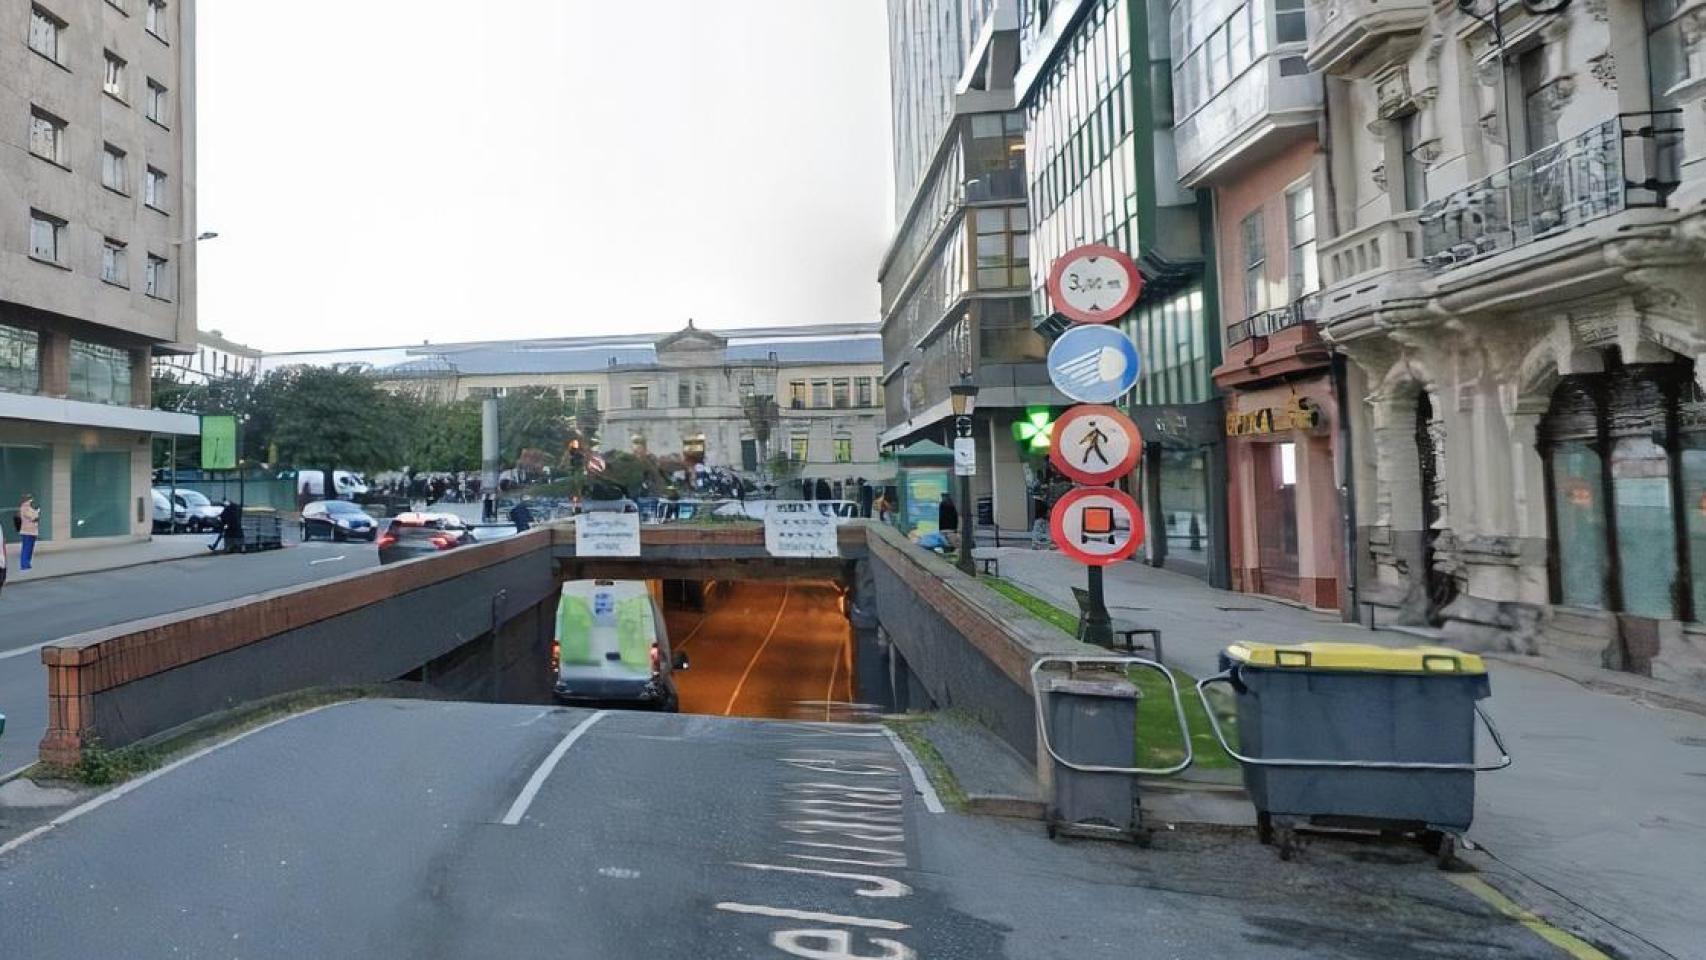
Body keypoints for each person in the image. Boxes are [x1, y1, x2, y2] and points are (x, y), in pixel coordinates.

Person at [17, 493, 40, 571]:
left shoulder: (29, 508)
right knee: (26, 549)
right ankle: (24, 565)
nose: (32, 500)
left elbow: (35, 518)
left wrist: (35, 512)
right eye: (30, 499)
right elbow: (34, 517)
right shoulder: (25, 507)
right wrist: (36, 512)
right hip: (27, 531)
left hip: (32, 531)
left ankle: (27, 564)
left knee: (30, 549)